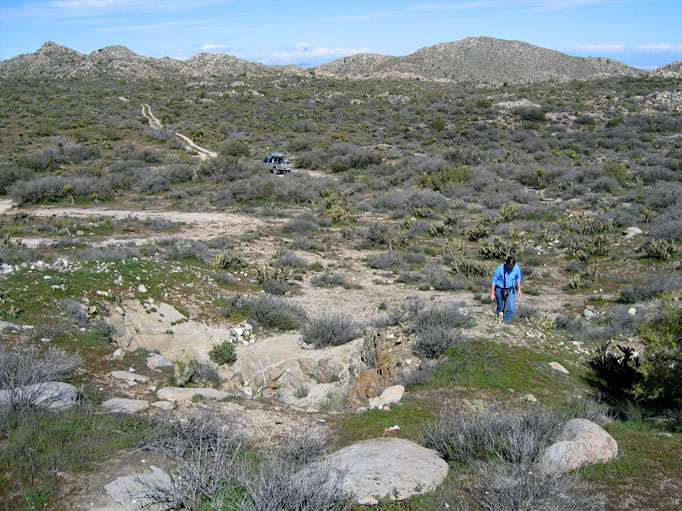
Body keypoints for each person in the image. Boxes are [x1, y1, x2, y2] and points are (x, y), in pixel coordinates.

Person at [490, 256, 522, 322]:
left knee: (511, 309)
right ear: (506, 264)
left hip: (511, 289)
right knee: (500, 308)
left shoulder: (516, 268)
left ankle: (506, 322)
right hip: (500, 289)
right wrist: (492, 293)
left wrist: (519, 289)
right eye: (508, 267)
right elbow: (494, 281)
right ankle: (499, 321)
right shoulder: (500, 269)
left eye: (511, 267)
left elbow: (518, 278)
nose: (510, 269)